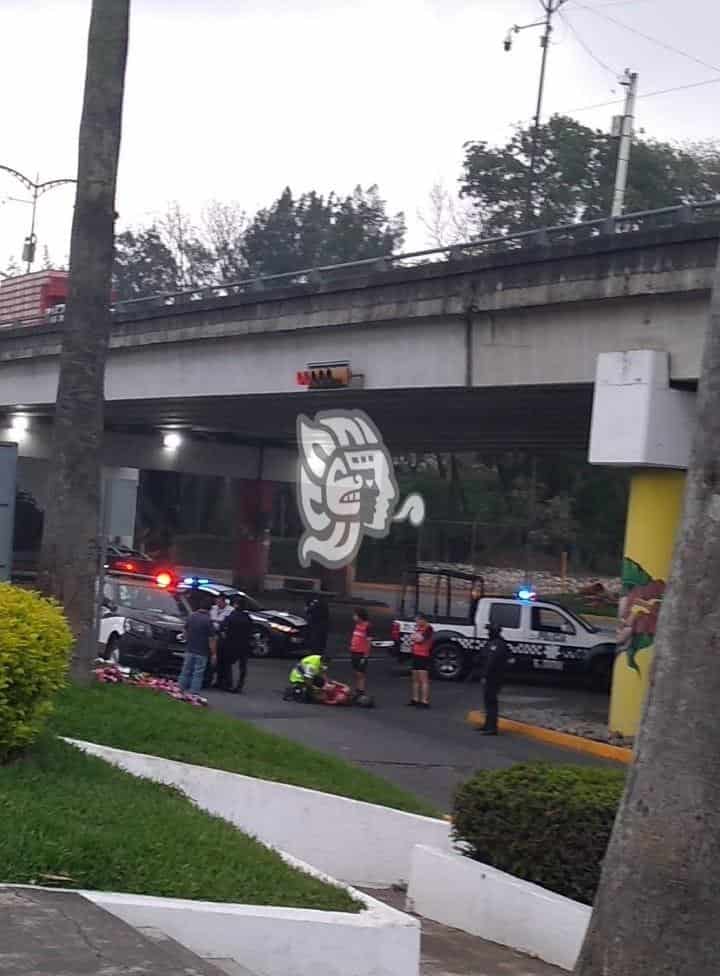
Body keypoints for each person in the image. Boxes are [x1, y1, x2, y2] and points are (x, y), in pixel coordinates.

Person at [178, 597, 216, 696]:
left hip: (190, 649)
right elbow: (211, 639)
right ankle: (193, 693)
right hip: (202, 651)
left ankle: (180, 689)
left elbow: (185, 630)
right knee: (198, 673)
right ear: (210, 608)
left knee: (185, 670)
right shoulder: (208, 621)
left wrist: (187, 639)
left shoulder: (191, 616)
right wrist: (213, 653)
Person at [479, 622, 510, 735]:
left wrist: (484, 675)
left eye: (489, 631)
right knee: (488, 701)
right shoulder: (494, 643)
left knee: (491, 702)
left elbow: (490, 662)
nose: (488, 633)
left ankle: (492, 727)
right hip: (493, 676)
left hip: (494, 677)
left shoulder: (497, 644)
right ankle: (487, 725)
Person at [219, 595, 253, 692]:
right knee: (242, 666)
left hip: (231, 643)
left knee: (227, 664)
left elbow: (222, 627)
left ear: (236, 605)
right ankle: (239, 685)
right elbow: (251, 631)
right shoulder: (247, 618)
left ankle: (228, 683)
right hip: (244, 644)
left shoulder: (231, 616)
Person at [408, 611, 433, 708]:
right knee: (415, 678)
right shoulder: (418, 628)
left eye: (417, 620)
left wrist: (416, 637)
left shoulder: (428, 629)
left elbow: (420, 639)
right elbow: (413, 637)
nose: (416, 623)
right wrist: (416, 637)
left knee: (423, 679)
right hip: (415, 654)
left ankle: (424, 701)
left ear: (423, 620)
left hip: (423, 655)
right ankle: (415, 699)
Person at [209, 594, 233, 688]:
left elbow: (227, 624)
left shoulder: (230, 610)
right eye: (216, 601)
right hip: (213, 634)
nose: (217, 603)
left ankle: (226, 682)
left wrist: (217, 622)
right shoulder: (213, 608)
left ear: (224, 601)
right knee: (215, 660)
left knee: (224, 660)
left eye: (219, 601)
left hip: (223, 637)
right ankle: (217, 681)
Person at [349, 607, 371, 699]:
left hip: (361, 653)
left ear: (360, 616)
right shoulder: (357, 626)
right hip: (354, 651)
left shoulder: (367, 626)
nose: (353, 617)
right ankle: (357, 690)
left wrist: (365, 656)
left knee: (360, 673)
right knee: (356, 673)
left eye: (355, 615)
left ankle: (361, 691)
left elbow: (369, 642)